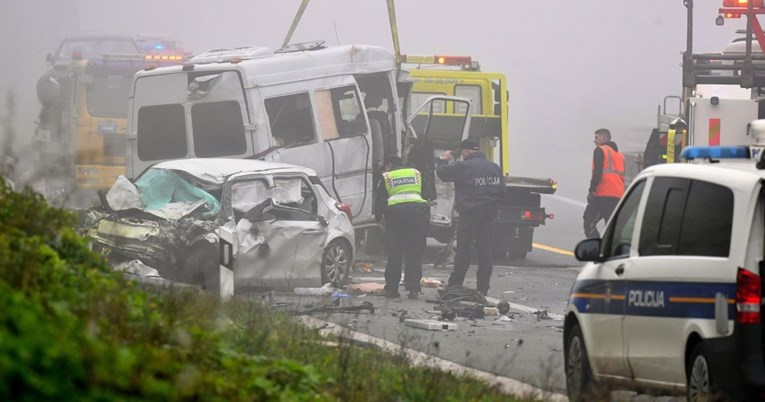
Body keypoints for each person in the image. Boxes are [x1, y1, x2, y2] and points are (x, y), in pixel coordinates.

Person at [435, 138, 504, 296]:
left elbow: (442, 173)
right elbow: (502, 190)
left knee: (463, 250)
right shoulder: (493, 167)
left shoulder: (464, 166)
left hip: (470, 213)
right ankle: (483, 288)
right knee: (485, 251)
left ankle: (455, 285)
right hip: (489, 213)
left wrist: (444, 159)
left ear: (465, 151)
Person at [374, 155, 430, 299]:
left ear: (389, 164)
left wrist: (379, 219)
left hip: (395, 217)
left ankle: (392, 289)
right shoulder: (416, 173)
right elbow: (427, 194)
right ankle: (414, 288)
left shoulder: (387, 176)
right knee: (414, 252)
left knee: (395, 253)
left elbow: (380, 201)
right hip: (417, 215)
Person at [583, 128, 625, 238]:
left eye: (596, 137)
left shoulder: (600, 150)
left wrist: (591, 190)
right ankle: (610, 251)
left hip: (603, 195)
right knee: (611, 228)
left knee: (588, 221)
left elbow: (598, 172)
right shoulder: (619, 155)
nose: (594, 141)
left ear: (604, 138)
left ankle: (596, 249)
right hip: (618, 196)